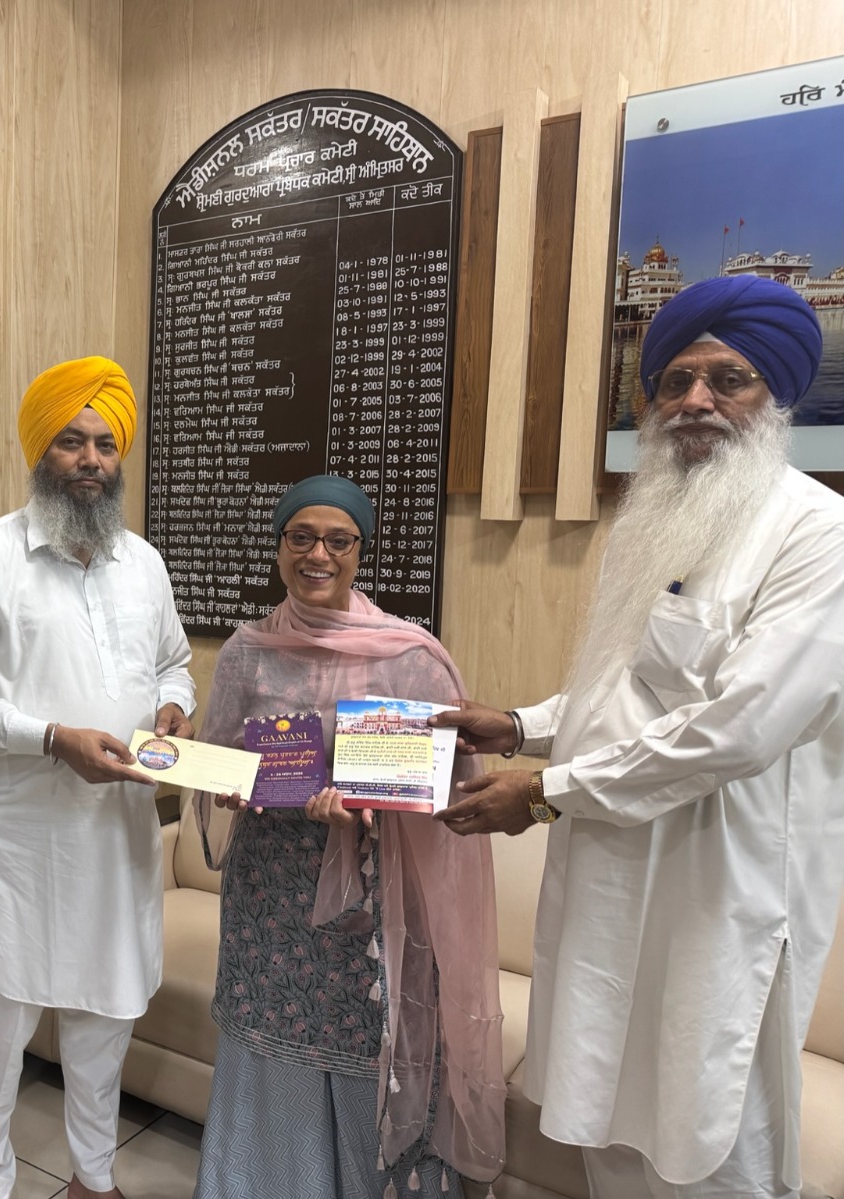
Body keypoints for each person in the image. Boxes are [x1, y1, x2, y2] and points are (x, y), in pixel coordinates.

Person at [433, 275, 844, 1199]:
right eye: (676, 380)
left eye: (728, 379)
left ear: (775, 395)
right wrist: (522, 726)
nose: (696, 400)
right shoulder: (653, 520)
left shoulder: (819, 534)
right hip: (608, 885)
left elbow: (739, 729)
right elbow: (623, 689)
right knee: (605, 1126)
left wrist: (543, 793)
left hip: (716, 899)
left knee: (711, 1143)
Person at [0, 356, 196, 1199]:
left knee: (107, 1014)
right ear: (40, 450)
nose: (90, 459)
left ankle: (92, 1177)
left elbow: (175, 663)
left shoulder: (143, 563)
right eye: (71, 441)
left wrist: (174, 707)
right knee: (3, 1021)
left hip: (118, 835)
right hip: (20, 840)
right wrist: (50, 738)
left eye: (105, 444)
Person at [190, 475, 504, 1199]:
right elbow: (219, 762)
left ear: (360, 551)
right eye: (301, 537)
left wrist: (373, 805)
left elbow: (450, 789)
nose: (318, 555)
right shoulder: (246, 651)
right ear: (280, 546)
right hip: (270, 901)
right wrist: (236, 782)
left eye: (338, 540)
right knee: (272, 1047)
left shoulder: (409, 656)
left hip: (370, 908)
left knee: (366, 1050)